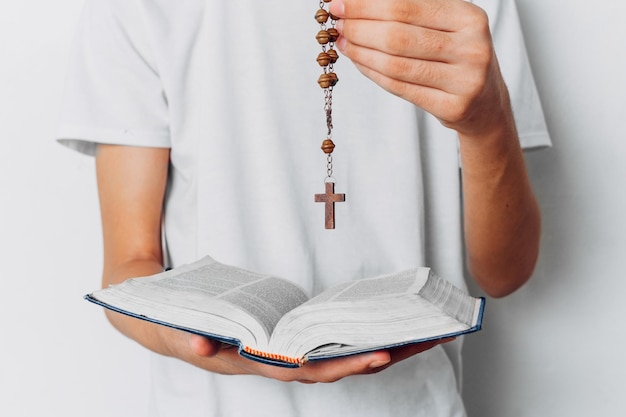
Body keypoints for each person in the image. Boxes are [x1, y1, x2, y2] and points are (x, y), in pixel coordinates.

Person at [57, 0, 550, 415]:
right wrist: (227, 353)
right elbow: (129, 271)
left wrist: (486, 123)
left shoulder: (467, 10)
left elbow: (504, 274)